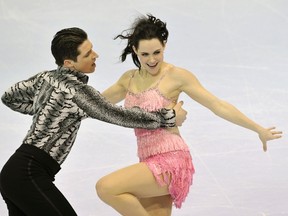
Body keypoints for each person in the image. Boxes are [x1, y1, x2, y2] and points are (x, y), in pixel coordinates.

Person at [95, 14, 283, 216]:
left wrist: (258, 129)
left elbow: (217, 105)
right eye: (145, 54)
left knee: (106, 187)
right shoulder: (128, 79)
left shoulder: (176, 76)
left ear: (164, 46)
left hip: (171, 161)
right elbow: (94, 105)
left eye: (157, 52)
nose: (152, 60)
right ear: (135, 50)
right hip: (147, 161)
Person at [0, 27, 187, 216]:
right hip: (29, 173)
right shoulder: (78, 93)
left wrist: (46, 110)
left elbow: (9, 97)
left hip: (14, 172)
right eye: (88, 53)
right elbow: (119, 115)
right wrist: (168, 117)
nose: (95, 55)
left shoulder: (45, 78)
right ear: (69, 62)